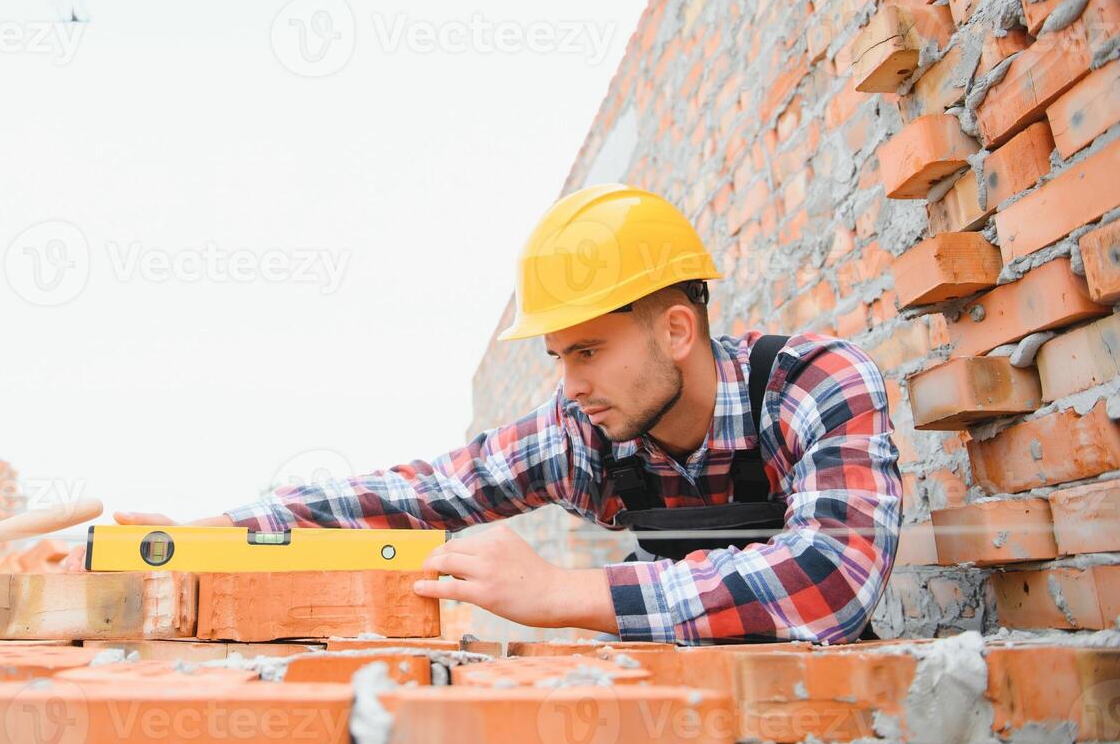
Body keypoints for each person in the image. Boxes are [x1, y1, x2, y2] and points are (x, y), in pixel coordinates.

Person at [64, 185, 902, 643]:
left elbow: (830, 577)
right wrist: (203, 537)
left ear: (676, 329)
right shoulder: (585, 433)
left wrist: (560, 593)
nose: (569, 383)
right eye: (558, 357)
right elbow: (409, 497)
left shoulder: (813, 386)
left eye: (587, 350)